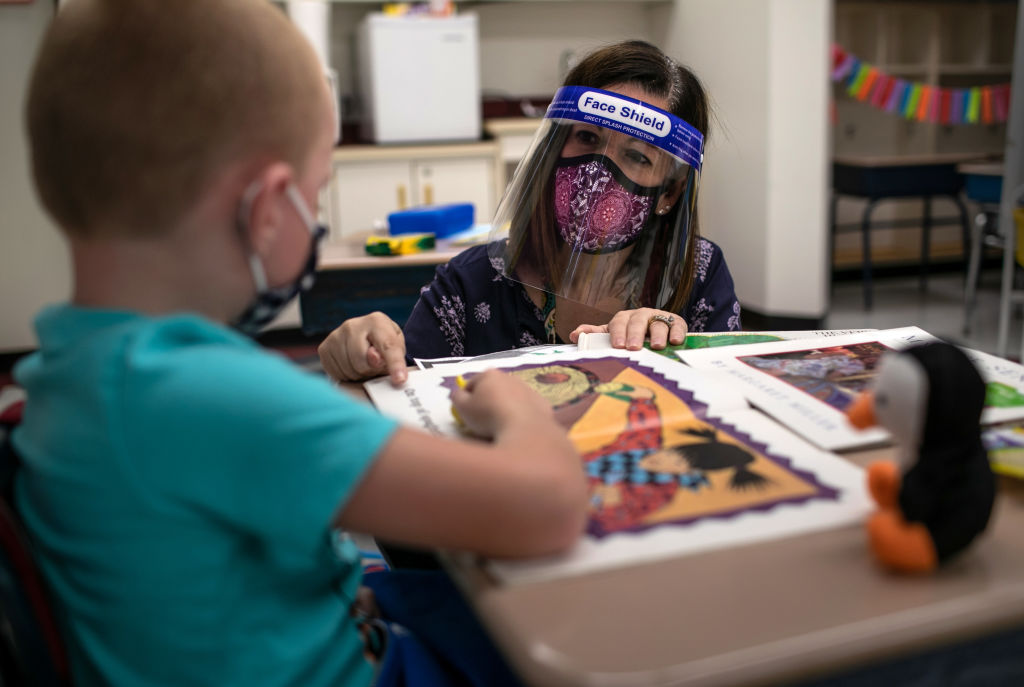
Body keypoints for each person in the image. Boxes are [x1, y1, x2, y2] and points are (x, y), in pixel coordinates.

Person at [13, 1, 588, 685]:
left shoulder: (57, 371)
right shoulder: (215, 397)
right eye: (316, 196)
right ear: (266, 209)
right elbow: (548, 506)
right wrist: (515, 408)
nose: (314, 218)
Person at [319, 41, 740, 383]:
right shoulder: (473, 283)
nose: (598, 173)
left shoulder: (697, 275)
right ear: (554, 147)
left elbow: (738, 397)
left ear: (671, 191)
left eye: (637, 157)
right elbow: (398, 394)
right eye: (587, 137)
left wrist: (676, 351)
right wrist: (363, 360)